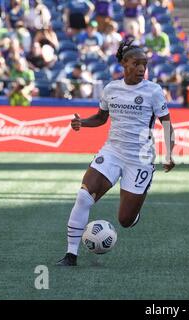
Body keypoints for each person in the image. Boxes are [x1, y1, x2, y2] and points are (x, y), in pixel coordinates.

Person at [56, 40, 175, 266]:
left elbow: (167, 124)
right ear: (124, 64)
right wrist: (83, 123)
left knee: (125, 220)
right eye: (136, 63)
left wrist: (170, 153)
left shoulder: (153, 91)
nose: (141, 69)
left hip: (139, 159)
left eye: (145, 64)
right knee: (83, 197)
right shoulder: (111, 89)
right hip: (112, 152)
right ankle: (71, 255)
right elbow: (101, 118)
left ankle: (134, 214)